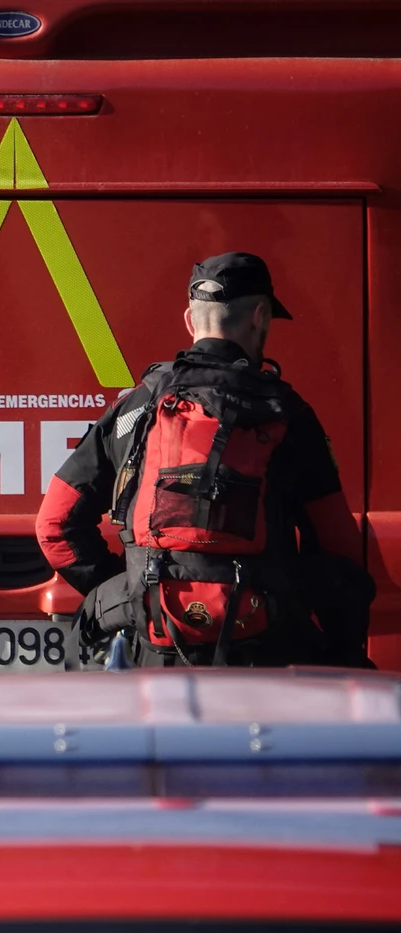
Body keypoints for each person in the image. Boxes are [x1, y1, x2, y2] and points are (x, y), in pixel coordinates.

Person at [35, 252, 373, 667]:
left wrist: (136, 592)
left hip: (158, 647)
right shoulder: (288, 415)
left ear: (190, 320)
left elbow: (55, 524)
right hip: (265, 652)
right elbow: (339, 547)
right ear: (260, 316)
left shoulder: (135, 409)